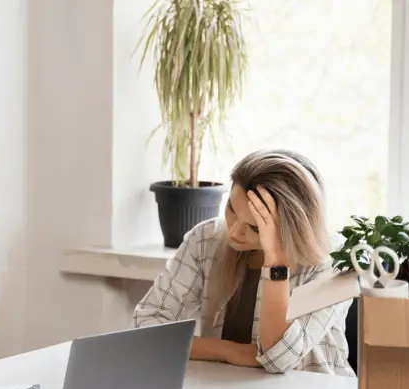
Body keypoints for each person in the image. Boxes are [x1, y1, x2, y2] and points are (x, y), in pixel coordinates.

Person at [132, 149, 353, 376]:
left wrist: (276, 261)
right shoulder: (206, 239)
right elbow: (145, 328)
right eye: (232, 209)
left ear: (293, 227)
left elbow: (279, 358)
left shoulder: (334, 261)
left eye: (255, 227)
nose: (234, 231)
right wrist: (228, 351)